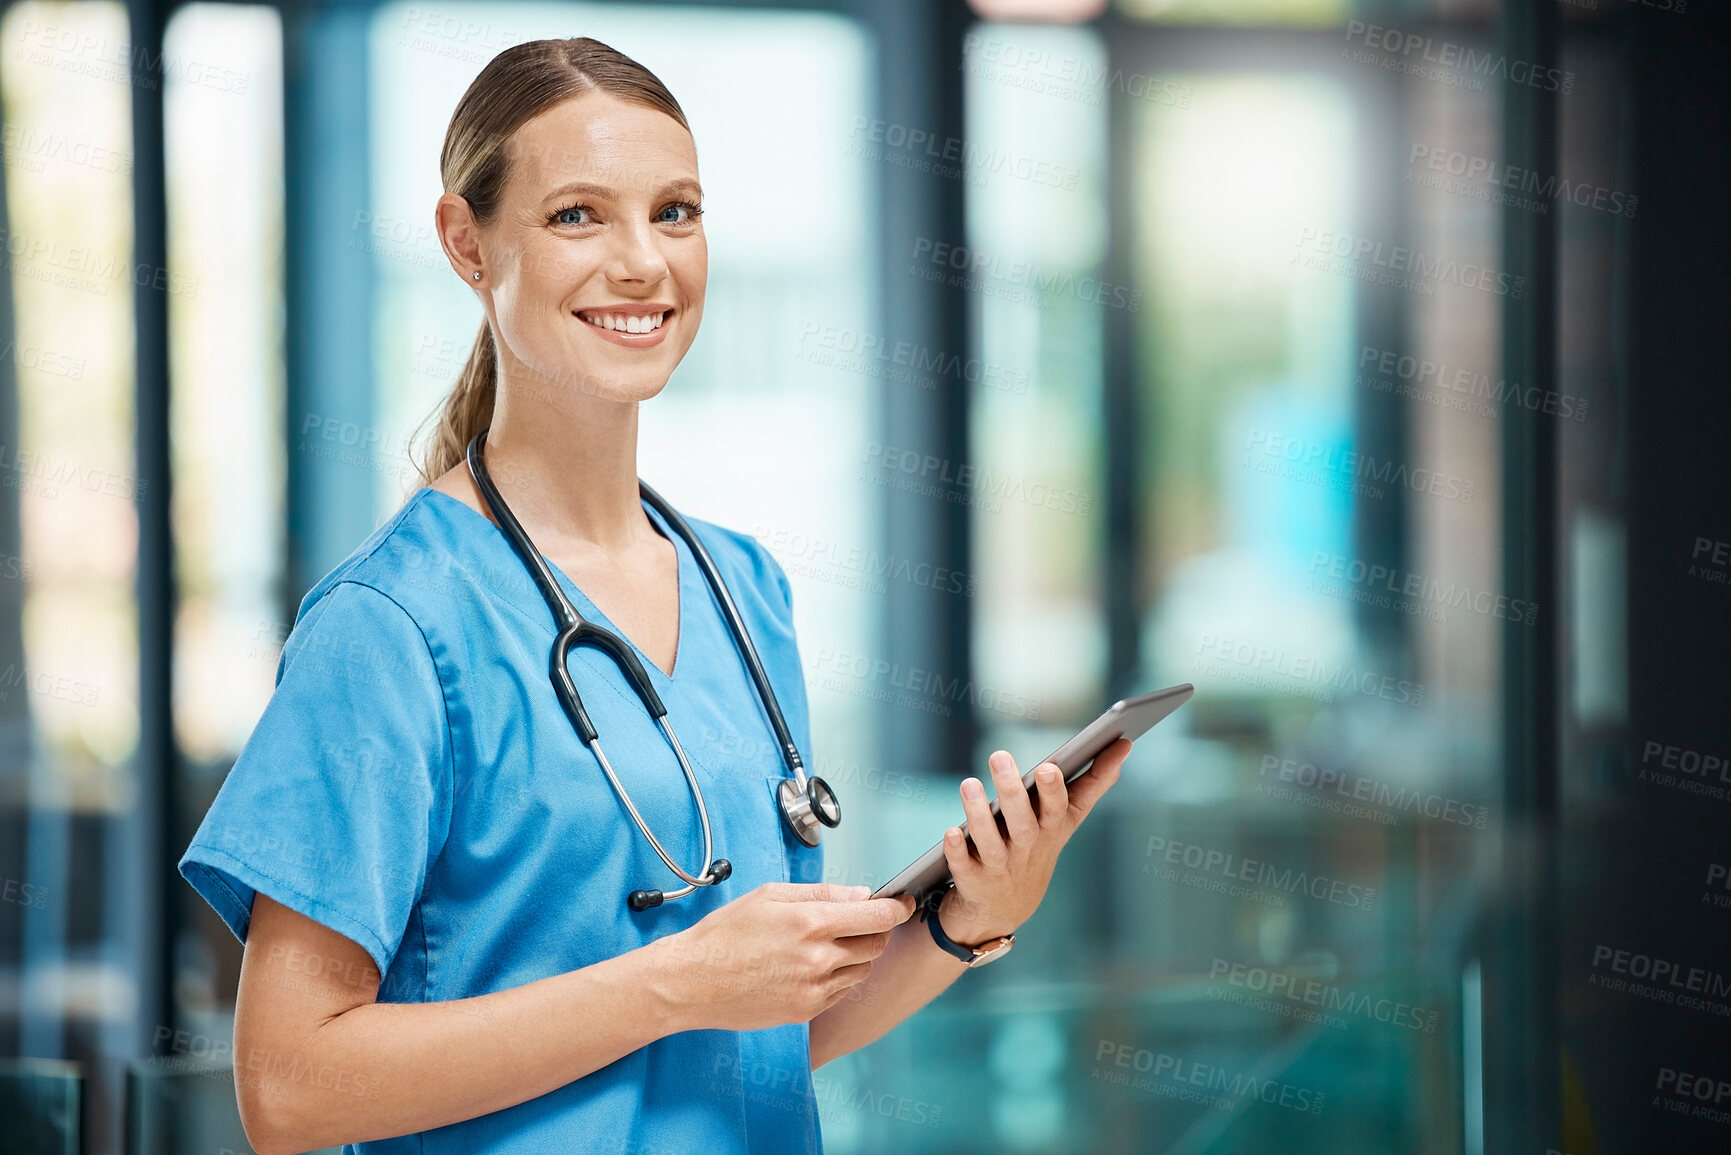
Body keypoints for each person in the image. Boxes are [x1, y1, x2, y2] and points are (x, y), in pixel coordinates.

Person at [178, 35, 1133, 1155]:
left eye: (676, 212)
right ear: (464, 243)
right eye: (578, 215)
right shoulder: (390, 628)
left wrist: (970, 922)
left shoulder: (744, 590)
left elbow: (759, 1034)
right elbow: (288, 1089)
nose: (644, 262)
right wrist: (671, 983)